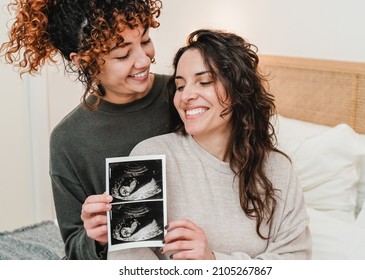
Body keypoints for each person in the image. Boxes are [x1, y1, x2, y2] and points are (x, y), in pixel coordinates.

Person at [110, 29, 312, 260]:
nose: (186, 96)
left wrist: (213, 262)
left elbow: (297, 260)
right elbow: (126, 262)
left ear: (238, 90)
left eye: (204, 81)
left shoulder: (278, 169)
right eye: (180, 85)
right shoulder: (148, 157)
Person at [0, 0, 171, 259]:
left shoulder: (184, 97)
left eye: (145, 40)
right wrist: (96, 236)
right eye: (122, 54)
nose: (143, 59)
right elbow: (74, 249)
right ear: (84, 62)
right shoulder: (68, 140)